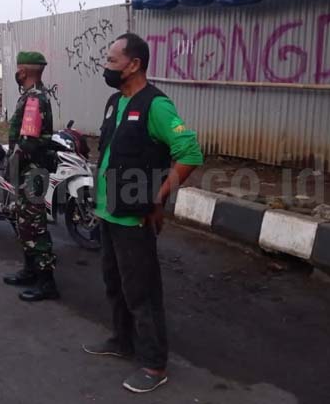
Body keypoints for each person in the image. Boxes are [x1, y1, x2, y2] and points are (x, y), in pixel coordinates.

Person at [82, 33, 203, 393]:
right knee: (114, 284)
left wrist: (158, 197)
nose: (106, 67)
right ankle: (122, 341)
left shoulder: (156, 106)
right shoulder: (114, 101)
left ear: (134, 64)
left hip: (133, 217)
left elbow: (190, 153)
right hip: (108, 211)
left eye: (112, 61)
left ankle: (153, 364)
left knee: (142, 292)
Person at [2, 51, 58, 302]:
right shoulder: (31, 96)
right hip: (27, 171)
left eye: (18, 69)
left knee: (34, 224)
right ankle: (30, 270)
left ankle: (47, 282)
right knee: (23, 222)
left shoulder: (34, 99)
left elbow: (27, 142)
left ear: (23, 72)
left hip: (31, 172)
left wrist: (12, 169)